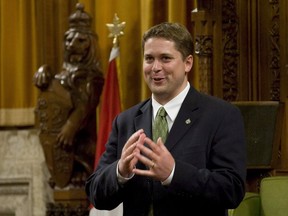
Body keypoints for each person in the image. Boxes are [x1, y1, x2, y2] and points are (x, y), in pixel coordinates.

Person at [85, 22, 246, 216]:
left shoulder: (221, 115)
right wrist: (120, 172)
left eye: (165, 58)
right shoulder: (125, 121)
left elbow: (232, 190)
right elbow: (95, 193)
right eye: (149, 59)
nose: (155, 68)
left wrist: (174, 173)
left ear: (188, 63)